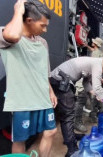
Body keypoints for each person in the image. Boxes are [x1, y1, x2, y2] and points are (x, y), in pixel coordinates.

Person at [0, 1, 57, 156]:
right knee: (20, 139)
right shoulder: (7, 35)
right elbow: (12, 35)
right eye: (42, 25)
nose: (45, 30)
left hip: (42, 96)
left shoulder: (42, 42)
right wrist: (18, 11)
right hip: (22, 101)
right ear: (29, 20)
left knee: (51, 131)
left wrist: (50, 92)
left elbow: (43, 71)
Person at [50, 56, 103, 157]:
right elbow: (97, 87)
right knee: (68, 114)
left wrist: (96, 94)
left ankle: (70, 137)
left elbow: (86, 82)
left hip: (62, 79)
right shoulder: (98, 64)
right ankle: (72, 149)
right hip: (59, 79)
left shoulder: (95, 63)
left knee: (66, 112)